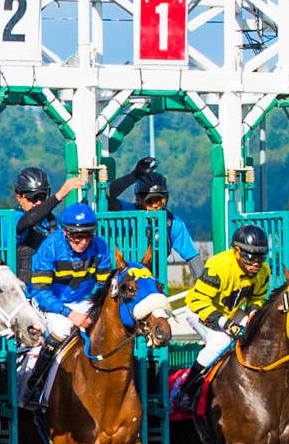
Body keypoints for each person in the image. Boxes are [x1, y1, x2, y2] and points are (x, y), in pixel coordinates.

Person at [170, 225, 275, 415]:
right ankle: (185, 390)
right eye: (251, 257)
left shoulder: (263, 271)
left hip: (230, 311)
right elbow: (199, 301)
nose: (256, 264)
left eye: (260, 257)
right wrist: (225, 324)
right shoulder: (218, 266)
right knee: (221, 341)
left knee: (261, 332)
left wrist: (252, 314)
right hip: (199, 310)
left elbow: (257, 299)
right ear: (236, 252)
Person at [19, 203, 114, 407]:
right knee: (62, 329)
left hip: (84, 301)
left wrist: (93, 310)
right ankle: (36, 384)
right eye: (76, 236)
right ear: (65, 232)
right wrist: (69, 313)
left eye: (88, 235)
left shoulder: (101, 246)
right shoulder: (50, 248)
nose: (82, 242)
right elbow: (40, 291)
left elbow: (103, 285)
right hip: (51, 301)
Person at [107, 156, 201, 279]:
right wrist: (134, 176)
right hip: (124, 279)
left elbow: (192, 255)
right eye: (150, 201)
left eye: (160, 201)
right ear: (139, 200)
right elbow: (107, 196)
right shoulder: (127, 211)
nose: (156, 206)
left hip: (153, 280)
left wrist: (203, 285)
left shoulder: (172, 223)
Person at [12, 166, 86, 282]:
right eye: (34, 198)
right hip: (22, 291)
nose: (39, 203)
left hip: (51, 287)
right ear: (19, 196)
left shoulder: (52, 221)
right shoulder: (15, 218)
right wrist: (60, 195)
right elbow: (30, 218)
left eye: (42, 197)